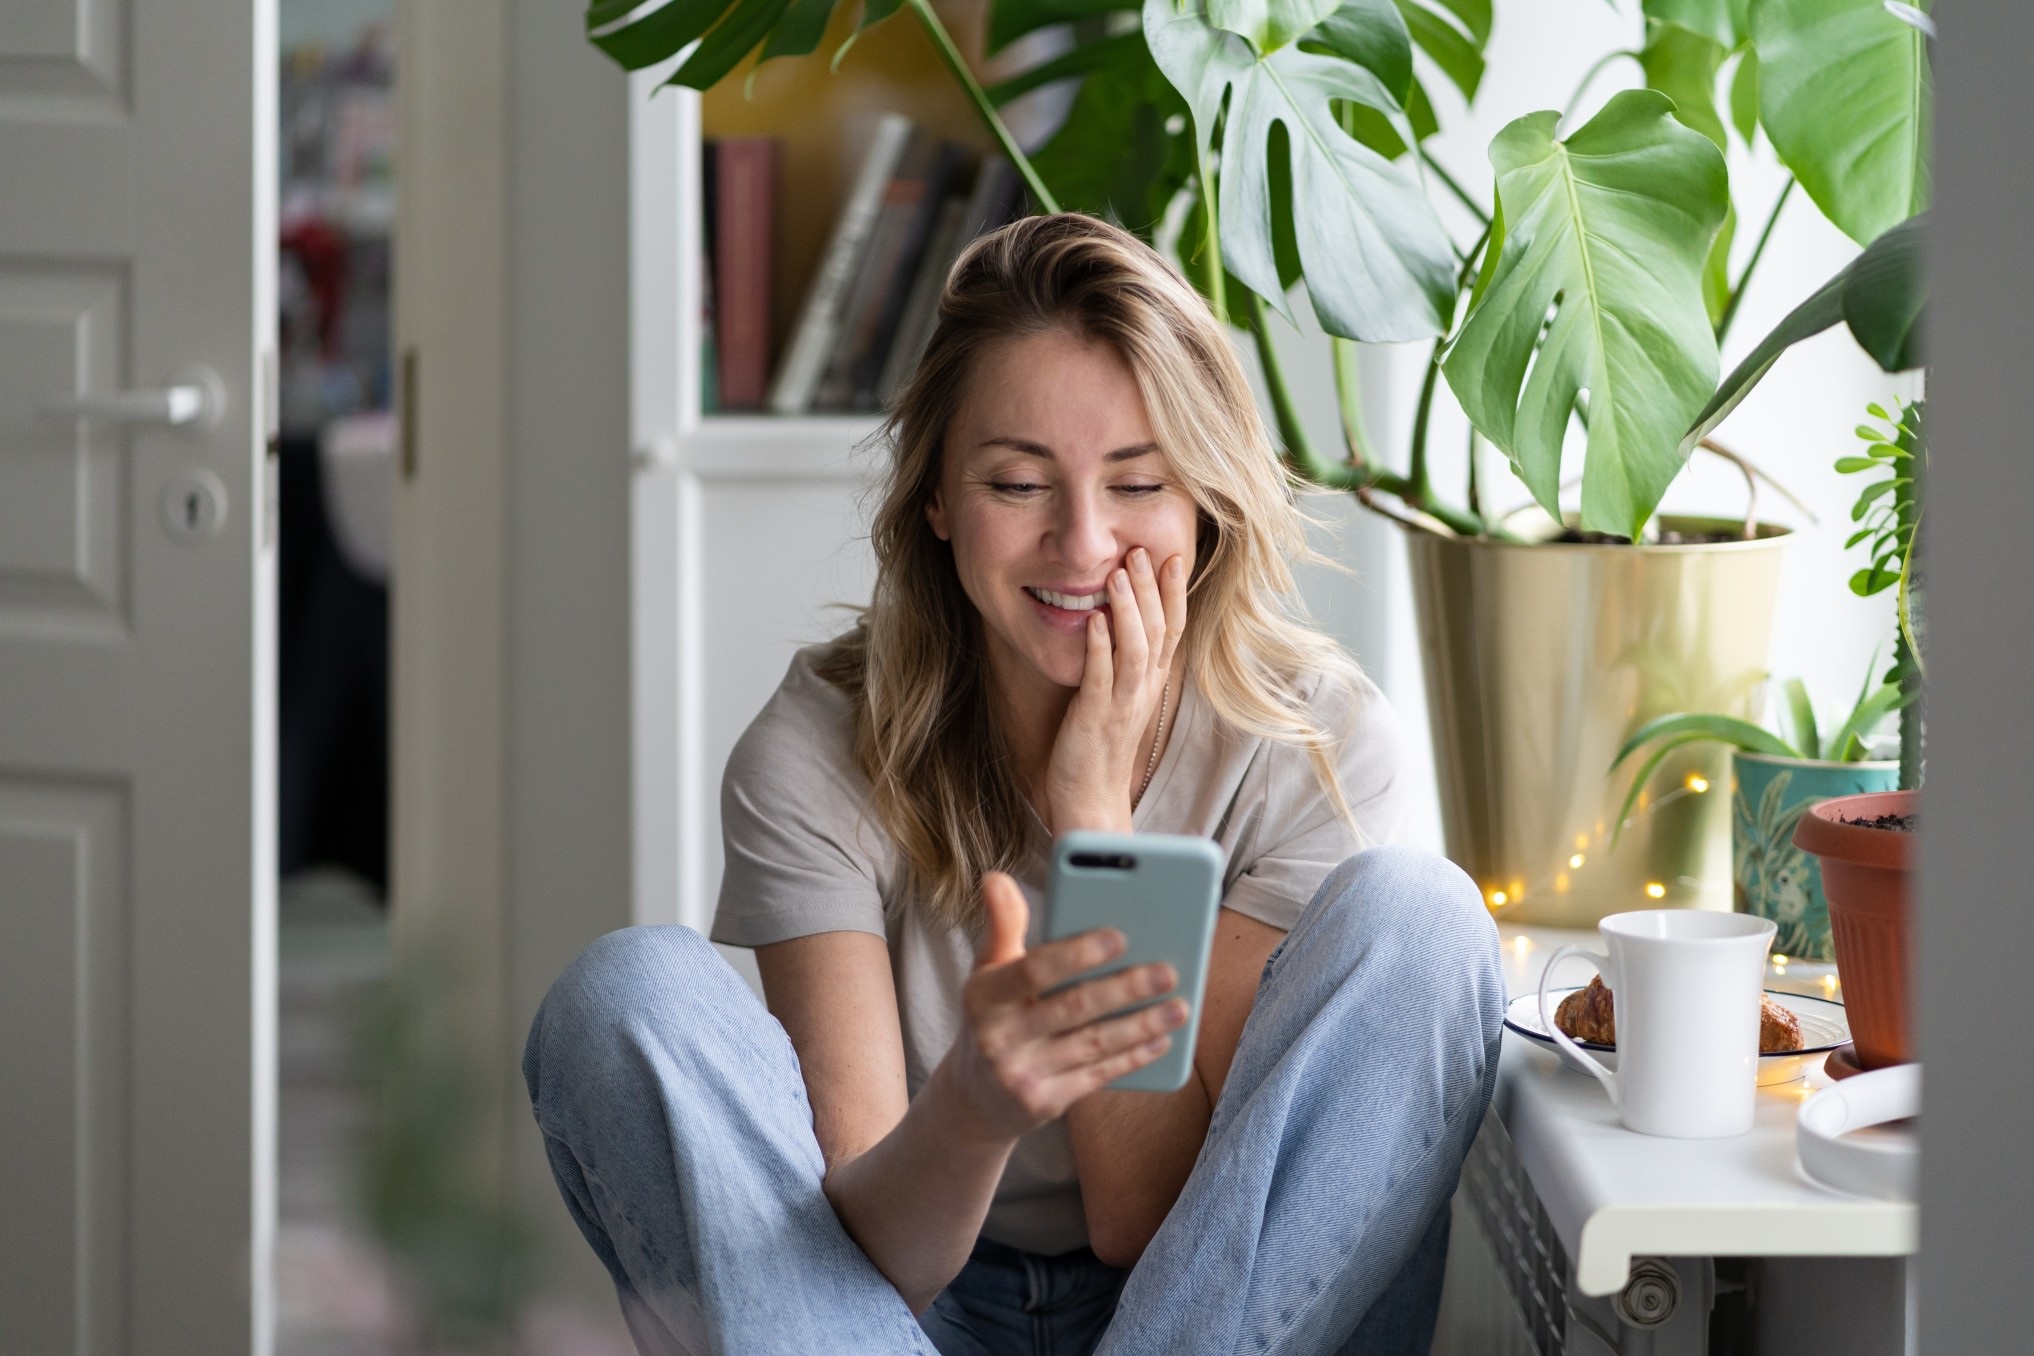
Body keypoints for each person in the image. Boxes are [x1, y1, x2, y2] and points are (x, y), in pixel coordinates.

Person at [523, 213, 1504, 1355]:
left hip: (1214, 1308)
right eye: (1017, 483)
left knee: (1425, 919)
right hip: (909, 1309)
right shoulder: (815, 749)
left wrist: (1099, 825)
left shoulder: (1315, 743)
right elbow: (874, 1264)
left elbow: (1147, 1216)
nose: (1082, 546)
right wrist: (975, 1109)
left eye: (1138, 484)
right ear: (937, 501)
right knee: (624, 994)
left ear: (1205, 504)